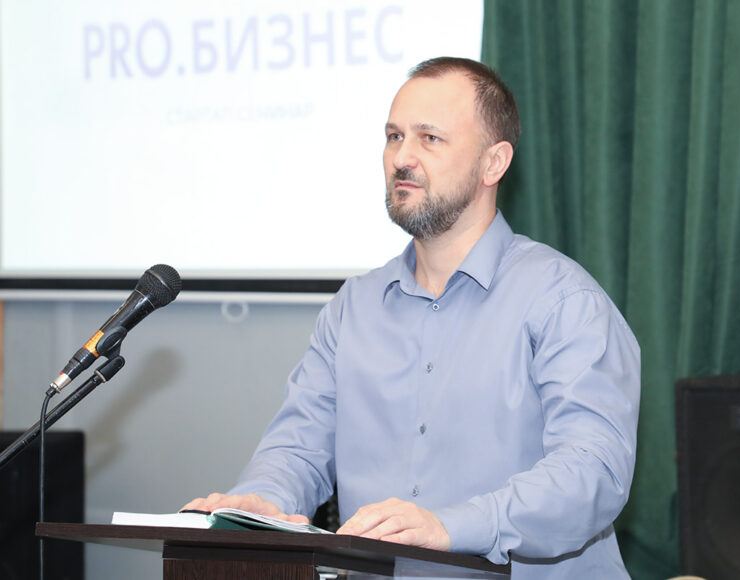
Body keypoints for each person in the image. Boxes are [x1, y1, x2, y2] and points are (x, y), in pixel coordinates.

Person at [184, 56, 640, 579]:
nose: (402, 157)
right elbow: (298, 448)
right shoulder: (352, 309)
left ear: (493, 163)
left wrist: (453, 527)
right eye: (394, 136)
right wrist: (261, 502)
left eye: (430, 138)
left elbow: (592, 472)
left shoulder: (563, 300)